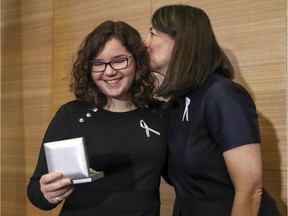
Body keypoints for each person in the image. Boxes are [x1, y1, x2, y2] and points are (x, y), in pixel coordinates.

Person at [144, 4, 281, 216]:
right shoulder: (176, 104)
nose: (145, 43)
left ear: (181, 40)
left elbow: (250, 190)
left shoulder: (222, 94)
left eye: (152, 33)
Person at [27, 20, 169, 216]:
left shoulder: (161, 114)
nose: (109, 71)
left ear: (137, 60)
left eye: (119, 60)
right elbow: (36, 191)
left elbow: (183, 175)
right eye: (98, 64)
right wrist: (46, 192)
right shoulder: (72, 115)